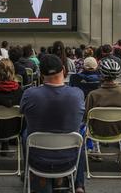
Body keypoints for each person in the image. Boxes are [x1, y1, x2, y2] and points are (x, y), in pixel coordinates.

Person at [20, 54, 85, 192]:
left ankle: (30, 174)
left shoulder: (29, 94)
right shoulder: (77, 94)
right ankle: (79, 185)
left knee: (26, 133)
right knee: (79, 136)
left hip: (38, 161)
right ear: (63, 69)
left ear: (40, 74)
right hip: (69, 160)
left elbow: (22, 113)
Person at [85, 57, 121, 137]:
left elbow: (86, 118)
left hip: (97, 132)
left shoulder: (93, 95)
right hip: (119, 132)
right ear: (117, 74)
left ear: (101, 74)